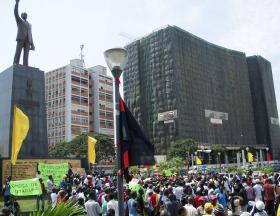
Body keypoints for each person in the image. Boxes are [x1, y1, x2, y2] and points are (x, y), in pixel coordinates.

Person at [13, 0, 35, 66]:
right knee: (18, 52)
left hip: (28, 40)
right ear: (21, 16)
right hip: (21, 38)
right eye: (24, 14)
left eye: (26, 14)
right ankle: (15, 63)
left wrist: (32, 44)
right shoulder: (19, 20)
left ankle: (25, 65)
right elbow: (15, 12)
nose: (25, 15)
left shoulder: (29, 25)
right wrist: (17, 3)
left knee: (26, 55)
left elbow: (31, 34)